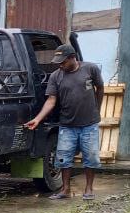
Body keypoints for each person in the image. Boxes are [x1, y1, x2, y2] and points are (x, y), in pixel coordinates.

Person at [23, 45, 104, 200]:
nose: (60, 65)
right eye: (58, 62)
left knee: (91, 156)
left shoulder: (90, 69)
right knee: (63, 157)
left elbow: (100, 88)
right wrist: (37, 119)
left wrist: (97, 109)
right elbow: (51, 100)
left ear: (72, 58)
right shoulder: (55, 76)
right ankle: (65, 190)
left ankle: (88, 189)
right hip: (67, 124)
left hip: (89, 123)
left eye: (63, 62)